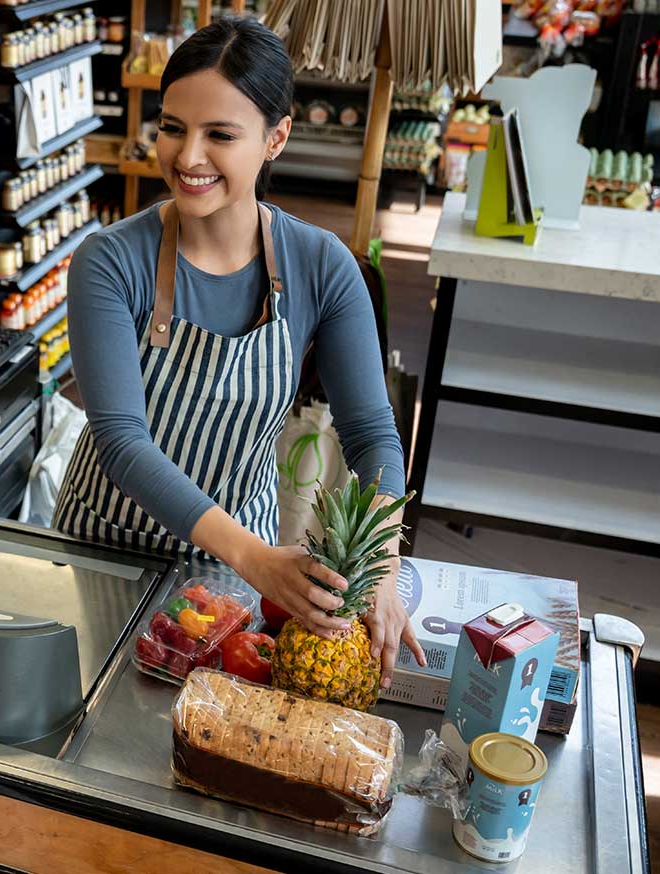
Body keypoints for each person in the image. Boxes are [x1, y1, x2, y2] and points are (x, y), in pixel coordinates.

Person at [53, 17, 425, 685]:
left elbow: (372, 436)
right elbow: (123, 445)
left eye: (220, 135)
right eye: (172, 127)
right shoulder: (109, 261)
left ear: (275, 137)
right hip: (105, 555)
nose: (187, 157)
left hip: (227, 572)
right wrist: (261, 561)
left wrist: (385, 564)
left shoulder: (322, 267)